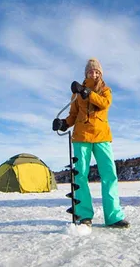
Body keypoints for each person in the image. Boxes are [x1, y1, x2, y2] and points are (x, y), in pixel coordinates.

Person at [52, 58, 130, 228]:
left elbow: (104, 104)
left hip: (102, 137)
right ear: (86, 73)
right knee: (80, 176)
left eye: (96, 72)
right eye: (90, 71)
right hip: (81, 137)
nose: (93, 74)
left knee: (109, 175)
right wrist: (63, 123)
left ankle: (114, 216)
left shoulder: (105, 90)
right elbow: (73, 115)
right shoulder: (76, 93)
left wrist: (88, 92)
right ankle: (84, 215)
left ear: (100, 74)